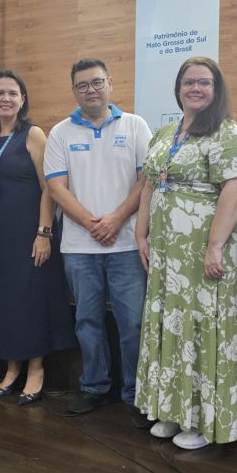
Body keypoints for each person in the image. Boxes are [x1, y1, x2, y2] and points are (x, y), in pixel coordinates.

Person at [134, 57, 237, 449]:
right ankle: (172, 410)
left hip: (206, 253)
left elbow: (235, 188)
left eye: (205, 82)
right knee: (171, 324)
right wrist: (141, 233)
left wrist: (215, 246)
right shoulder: (166, 132)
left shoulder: (226, 132)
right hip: (168, 254)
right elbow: (149, 184)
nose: (196, 88)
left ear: (217, 89)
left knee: (201, 327)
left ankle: (202, 420)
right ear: (178, 88)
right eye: (189, 82)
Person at [45, 58, 152, 425]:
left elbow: (146, 181)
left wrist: (117, 218)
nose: (90, 90)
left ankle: (136, 393)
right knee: (87, 321)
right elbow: (56, 188)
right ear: (74, 91)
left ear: (110, 84)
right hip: (79, 247)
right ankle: (94, 386)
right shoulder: (60, 133)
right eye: (82, 85)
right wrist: (93, 224)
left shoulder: (135, 125)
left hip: (126, 245)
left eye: (96, 82)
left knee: (133, 323)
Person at [0, 71, 75, 406]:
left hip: (30, 234)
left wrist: (43, 233)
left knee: (31, 301)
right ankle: (11, 368)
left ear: (22, 99)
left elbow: (50, 188)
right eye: (0, 93)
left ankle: (36, 369)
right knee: (3, 302)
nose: (6, 98)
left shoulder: (33, 134)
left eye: (13, 93)